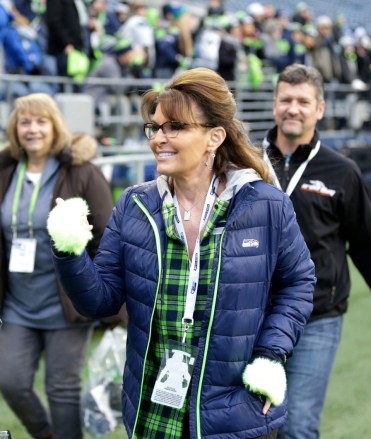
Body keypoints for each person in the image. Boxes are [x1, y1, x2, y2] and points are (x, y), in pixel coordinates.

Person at [47, 67, 315, 439]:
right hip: (155, 412)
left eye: (175, 127)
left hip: (238, 412)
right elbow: (100, 301)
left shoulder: (266, 205)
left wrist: (271, 354)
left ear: (214, 137)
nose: (159, 138)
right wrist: (70, 249)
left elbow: (299, 283)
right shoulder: (135, 205)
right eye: (155, 127)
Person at [261, 64, 371, 439]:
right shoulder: (246, 163)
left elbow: (367, 243)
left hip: (317, 316)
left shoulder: (342, 171)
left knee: (298, 426)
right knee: (253, 426)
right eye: (285, 99)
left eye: (303, 101)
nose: (293, 108)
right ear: (274, 104)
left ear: (320, 109)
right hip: (253, 315)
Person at [0, 93, 118, 439]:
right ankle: (45, 434)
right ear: (15, 128)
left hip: (67, 303)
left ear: (55, 127)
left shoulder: (81, 172)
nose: (33, 129)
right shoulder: (5, 170)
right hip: (18, 303)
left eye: (41, 121)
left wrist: (113, 305)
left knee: (61, 389)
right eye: (25, 122)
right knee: (10, 379)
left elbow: (108, 240)